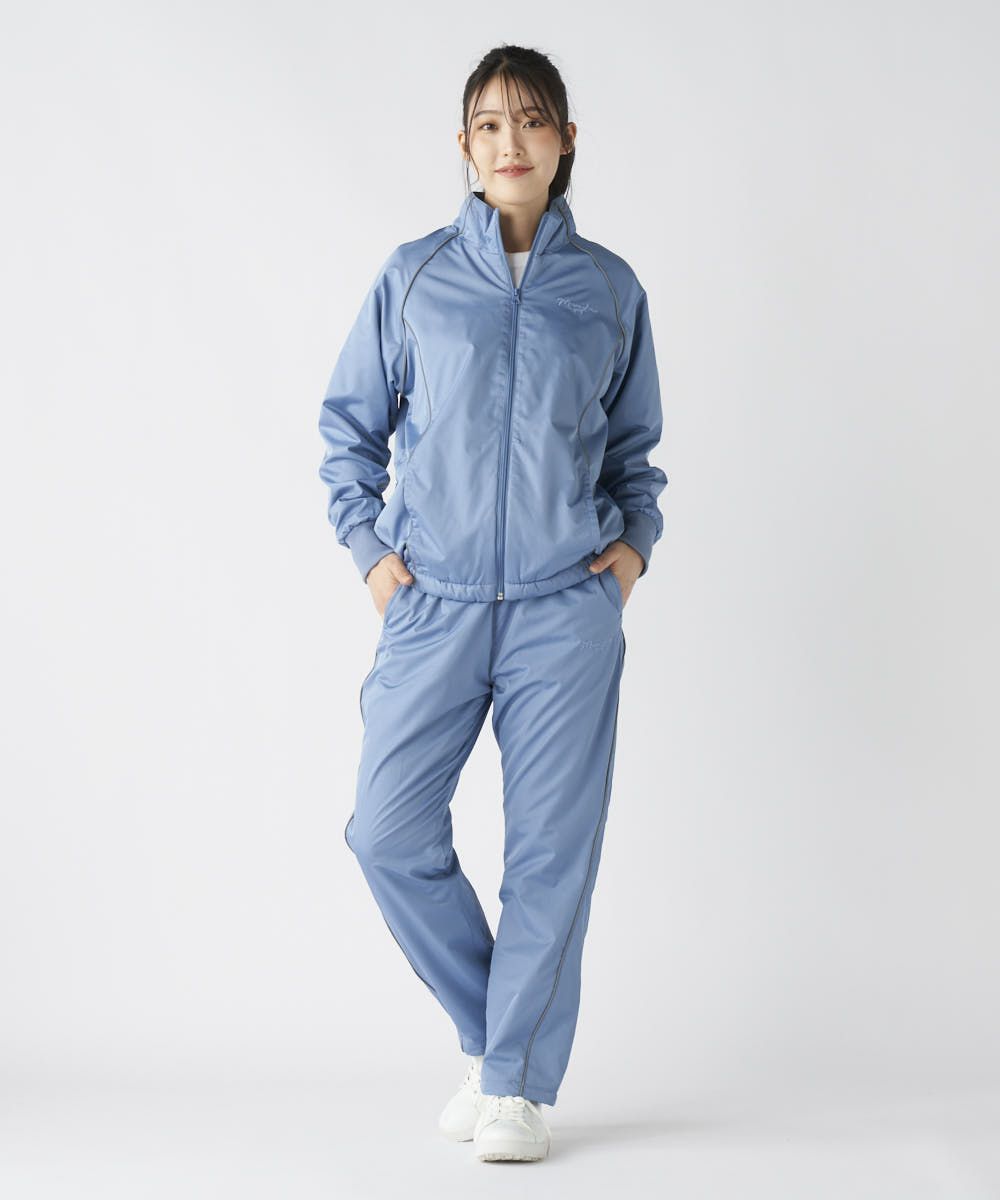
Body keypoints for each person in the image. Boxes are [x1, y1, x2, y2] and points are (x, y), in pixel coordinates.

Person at [317, 44, 667, 1163]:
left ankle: (514, 1087)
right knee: (385, 832)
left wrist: (629, 557)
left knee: (550, 854)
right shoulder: (415, 276)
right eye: (487, 124)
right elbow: (348, 430)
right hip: (436, 601)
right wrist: (373, 554)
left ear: (566, 141)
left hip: (566, 608)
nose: (509, 141)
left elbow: (635, 456)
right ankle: (496, 1045)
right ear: (464, 148)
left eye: (530, 120)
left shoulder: (607, 289)